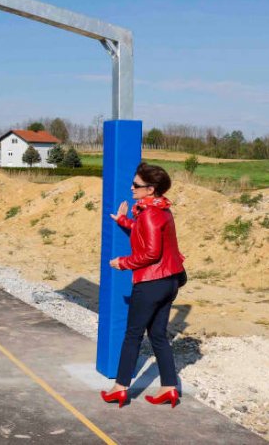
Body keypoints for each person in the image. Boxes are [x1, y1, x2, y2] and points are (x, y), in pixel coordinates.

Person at [101, 162, 186, 408]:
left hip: (151, 283)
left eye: (136, 185)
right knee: (158, 335)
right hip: (170, 282)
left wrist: (123, 263)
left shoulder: (149, 214)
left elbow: (150, 252)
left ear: (150, 189)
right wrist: (124, 221)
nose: (132, 187)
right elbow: (146, 230)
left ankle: (120, 388)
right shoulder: (161, 210)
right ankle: (169, 387)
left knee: (132, 335)